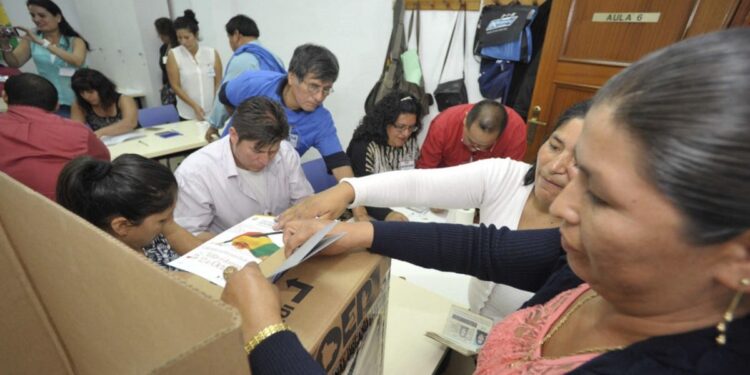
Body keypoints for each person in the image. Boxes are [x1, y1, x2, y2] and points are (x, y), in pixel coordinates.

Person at [222, 29, 750, 374]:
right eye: (572, 163)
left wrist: (267, 330)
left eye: (602, 198)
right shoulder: (590, 262)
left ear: (736, 255)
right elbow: (484, 248)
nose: (567, 202)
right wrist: (360, 228)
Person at [280, 100, 590, 322]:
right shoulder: (504, 176)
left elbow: (477, 248)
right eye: (554, 145)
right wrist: (348, 190)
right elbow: (420, 185)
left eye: (579, 160)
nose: (556, 167)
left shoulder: (588, 242)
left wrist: (355, 231)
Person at [219, 43, 369, 220]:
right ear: (292, 77)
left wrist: (360, 212)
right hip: (228, 172)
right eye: (313, 86)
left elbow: (339, 164)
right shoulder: (254, 83)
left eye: (326, 89)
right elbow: (224, 97)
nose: (320, 97)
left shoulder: (320, 119)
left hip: (271, 183)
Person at [174, 96, 313, 240]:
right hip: (227, 253)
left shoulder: (285, 152)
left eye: (272, 151)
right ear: (234, 135)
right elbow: (189, 234)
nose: (265, 160)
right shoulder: (195, 172)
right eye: (257, 151)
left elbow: (304, 202)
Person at [57, 154, 203, 270]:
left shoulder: (148, 224)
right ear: (122, 226)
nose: (169, 223)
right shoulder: (114, 265)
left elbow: (184, 241)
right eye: (163, 220)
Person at [0, 73, 108, 201]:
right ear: (57, 105)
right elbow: (103, 163)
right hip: (71, 209)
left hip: (12, 206)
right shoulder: (76, 131)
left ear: (5, 96)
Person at [0, 0, 89, 118]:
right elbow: (14, 63)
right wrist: (5, 45)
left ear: (58, 17)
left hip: (80, 99)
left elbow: (77, 61)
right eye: (33, 15)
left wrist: (43, 43)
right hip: (52, 102)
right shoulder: (31, 39)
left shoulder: (74, 40)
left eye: (42, 15)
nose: (36, 19)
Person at [345, 91, 425, 221]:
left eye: (411, 128)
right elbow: (360, 192)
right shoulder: (364, 145)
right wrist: (387, 214)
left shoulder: (410, 141)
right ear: (384, 122)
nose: (405, 134)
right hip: (366, 211)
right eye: (400, 127)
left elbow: (414, 178)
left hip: (401, 206)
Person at [204, 14, 284, 142]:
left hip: (252, 127)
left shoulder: (242, 59)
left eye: (229, 37)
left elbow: (225, 96)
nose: (230, 42)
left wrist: (214, 125)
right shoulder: (274, 58)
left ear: (236, 35)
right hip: (276, 124)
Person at [416, 100, 527, 169]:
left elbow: (508, 178)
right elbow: (425, 170)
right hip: (445, 185)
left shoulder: (515, 132)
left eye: (484, 146)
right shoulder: (443, 125)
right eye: (471, 141)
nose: (475, 149)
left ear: (499, 136)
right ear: (465, 121)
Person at [166, 9, 222, 121]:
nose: (183, 42)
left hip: (211, 112)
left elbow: (218, 82)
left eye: (187, 37)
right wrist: (194, 105)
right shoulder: (174, 55)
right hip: (187, 113)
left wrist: (216, 106)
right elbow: (175, 85)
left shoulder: (211, 53)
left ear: (195, 34)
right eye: (179, 38)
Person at [70, 68, 139, 137]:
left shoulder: (124, 99)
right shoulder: (79, 105)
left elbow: (130, 123)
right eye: (82, 93)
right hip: (107, 144)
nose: (87, 97)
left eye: (91, 92)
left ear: (102, 89)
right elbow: (77, 130)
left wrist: (101, 132)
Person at [154, 17, 177, 106]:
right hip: (168, 86)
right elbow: (164, 67)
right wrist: (165, 84)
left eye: (163, 35)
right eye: (160, 34)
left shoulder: (178, 47)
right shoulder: (163, 49)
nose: (161, 37)